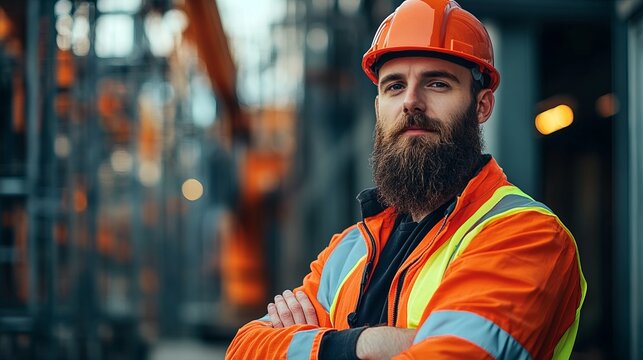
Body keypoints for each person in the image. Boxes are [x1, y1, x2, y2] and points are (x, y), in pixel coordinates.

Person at [226, 0, 586, 358]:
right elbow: (242, 349)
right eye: (395, 86)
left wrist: (311, 342)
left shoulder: (526, 236)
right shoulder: (349, 250)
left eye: (437, 84)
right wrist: (365, 344)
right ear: (378, 106)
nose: (411, 102)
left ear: (482, 106)